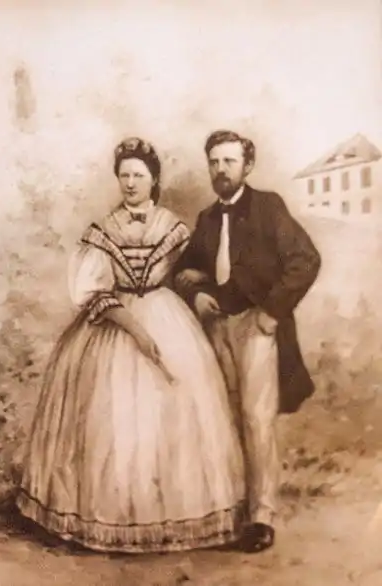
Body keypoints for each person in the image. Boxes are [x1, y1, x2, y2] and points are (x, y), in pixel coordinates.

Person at [16, 137, 245, 554]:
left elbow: (192, 274)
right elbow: (92, 293)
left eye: (139, 175)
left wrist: (198, 291)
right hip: (113, 325)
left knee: (177, 411)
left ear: (154, 179)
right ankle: (109, 521)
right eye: (124, 175)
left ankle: (173, 519)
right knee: (110, 417)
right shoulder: (103, 229)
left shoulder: (173, 227)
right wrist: (135, 329)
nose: (131, 183)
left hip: (169, 319)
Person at [174, 130, 321, 553]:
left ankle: (261, 516)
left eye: (230, 161)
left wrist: (272, 312)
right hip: (216, 328)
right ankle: (231, 508)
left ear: (247, 166)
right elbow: (182, 271)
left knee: (257, 420)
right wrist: (196, 294)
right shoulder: (206, 218)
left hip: (255, 326)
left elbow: (306, 260)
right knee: (224, 416)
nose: (221, 170)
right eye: (214, 162)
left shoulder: (268, 207)